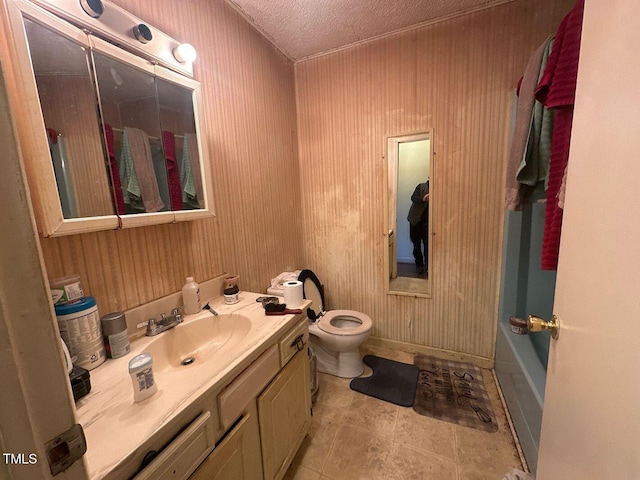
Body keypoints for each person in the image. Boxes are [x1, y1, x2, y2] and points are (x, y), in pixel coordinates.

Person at [407, 180, 429, 275]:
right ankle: (419, 265)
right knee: (416, 244)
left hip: (428, 223)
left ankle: (429, 267)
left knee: (428, 245)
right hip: (415, 221)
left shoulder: (440, 189)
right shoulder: (421, 186)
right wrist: (423, 199)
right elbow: (413, 198)